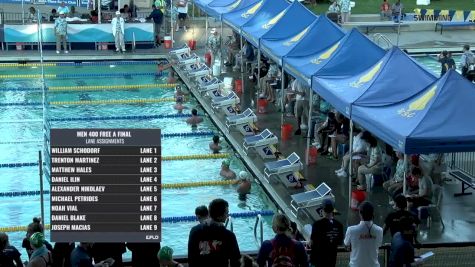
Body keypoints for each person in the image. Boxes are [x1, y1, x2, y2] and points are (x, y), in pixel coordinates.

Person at [188, 199, 241, 267]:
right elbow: (235, 261)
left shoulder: (195, 231)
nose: (227, 215)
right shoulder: (229, 236)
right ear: (220, 216)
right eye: (226, 213)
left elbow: (191, 259)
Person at [344, 201, 383, 267]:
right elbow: (379, 244)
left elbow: (346, 244)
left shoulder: (351, 230)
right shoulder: (379, 230)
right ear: (373, 213)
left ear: (360, 213)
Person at [310, 199, 344, 267]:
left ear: (322, 210)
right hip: (332, 260)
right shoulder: (339, 225)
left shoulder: (317, 225)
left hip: (318, 261)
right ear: (333, 210)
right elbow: (340, 242)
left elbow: (311, 242)